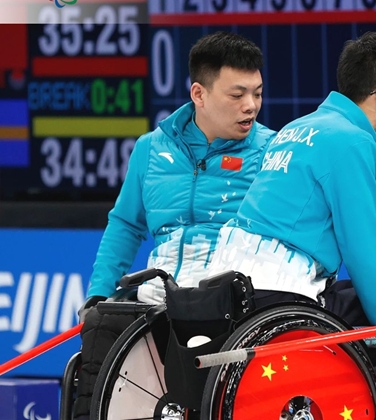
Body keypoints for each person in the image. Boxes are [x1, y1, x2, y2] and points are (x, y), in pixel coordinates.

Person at [207, 31, 376, 420]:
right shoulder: (352, 142)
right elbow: (363, 249)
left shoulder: (304, 127)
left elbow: (346, 187)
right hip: (280, 295)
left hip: (232, 287)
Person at [73, 31, 275, 419]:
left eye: (258, 93)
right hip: (158, 297)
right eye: (237, 95)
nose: (251, 105)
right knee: (101, 321)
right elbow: (126, 225)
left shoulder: (272, 152)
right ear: (199, 94)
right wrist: (98, 293)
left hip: (228, 299)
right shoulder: (151, 148)